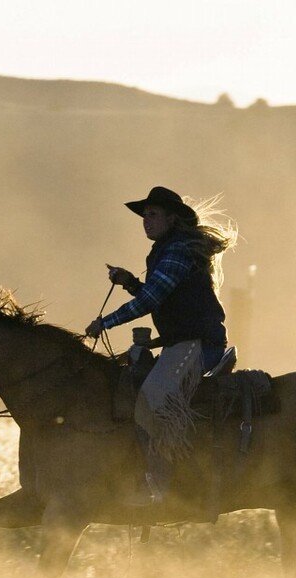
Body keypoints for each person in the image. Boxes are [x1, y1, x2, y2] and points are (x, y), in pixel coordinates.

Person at [85, 186, 235, 503]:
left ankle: (165, 486)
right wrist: (130, 283)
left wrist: (105, 322)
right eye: (144, 215)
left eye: (153, 214)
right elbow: (158, 295)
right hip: (184, 343)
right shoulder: (170, 249)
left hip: (197, 344)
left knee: (152, 402)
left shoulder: (177, 251)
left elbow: (151, 300)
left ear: (172, 218)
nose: (146, 220)